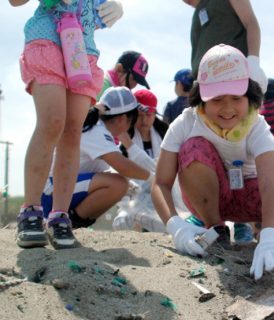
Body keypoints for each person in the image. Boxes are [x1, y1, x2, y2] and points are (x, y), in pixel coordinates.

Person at [151, 44, 274, 280]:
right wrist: (175, 226)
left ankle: (273, 233)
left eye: (237, 97)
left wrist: (271, 236)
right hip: (208, 198)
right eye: (216, 99)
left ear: (250, 94)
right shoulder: (186, 123)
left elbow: (269, 186)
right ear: (201, 97)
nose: (228, 108)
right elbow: (161, 183)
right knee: (194, 147)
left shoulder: (257, 125)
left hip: (250, 196)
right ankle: (216, 229)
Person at [11, 0, 123, 249]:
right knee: (52, 122)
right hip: (47, 38)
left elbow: (95, 11)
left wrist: (113, 8)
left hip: (83, 49)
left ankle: (59, 217)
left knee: (73, 132)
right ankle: (30, 211)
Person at [41, 87, 154, 248]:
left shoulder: (97, 127)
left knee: (120, 182)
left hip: (54, 191)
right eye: (132, 119)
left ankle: (68, 224)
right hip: (51, 194)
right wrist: (152, 177)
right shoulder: (97, 130)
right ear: (123, 118)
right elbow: (123, 166)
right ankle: (66, 224)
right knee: (118, 183)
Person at [113, 89, 170, 232]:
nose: (144, 120)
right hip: (134, 191)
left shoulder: (164, 131)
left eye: (148, 115)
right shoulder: (126, 135)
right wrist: (123, 207)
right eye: (139, 115)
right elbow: (121, 171)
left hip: (163, 190)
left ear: (155, 113)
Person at [183, 0, 267, 92]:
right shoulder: (197, 13)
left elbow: (250, 23)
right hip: (204, 85)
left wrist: (253, 62)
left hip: (233, 76)